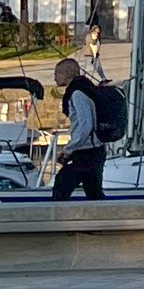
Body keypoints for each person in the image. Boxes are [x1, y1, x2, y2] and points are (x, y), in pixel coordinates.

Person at [48, 55, 110, 199]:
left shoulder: (77, 94)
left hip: (87, 152)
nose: (54, 78)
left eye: (56, 74)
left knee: (61, 186)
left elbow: (85, 125)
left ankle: (57, 217)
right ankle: (98, 216)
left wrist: (68, 149)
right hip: (95, 150)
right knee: (93, 192)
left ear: (66, 74)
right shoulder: (85, 88)